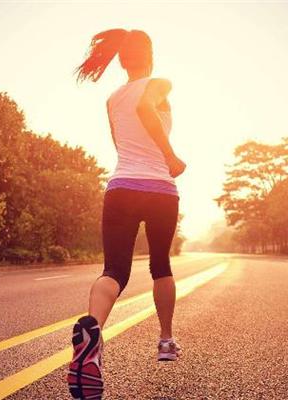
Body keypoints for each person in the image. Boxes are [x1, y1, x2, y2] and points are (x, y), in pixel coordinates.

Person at [67, 28, 187, 399]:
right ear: (150, 54)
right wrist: (169, 156)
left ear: (122, 60)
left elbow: (121, 143)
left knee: (114, 270)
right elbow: (145, 108)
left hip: (121, 187)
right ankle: (166, 341)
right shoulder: (159, 83)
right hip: (159, 188)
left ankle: (93, 333)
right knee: (160, 265)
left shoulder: (112, 98)